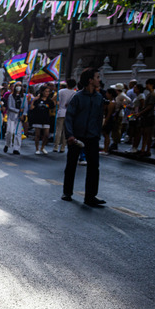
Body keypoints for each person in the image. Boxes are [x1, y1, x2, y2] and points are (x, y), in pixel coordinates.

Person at [62, 68, 105, 207]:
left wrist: (98, 135)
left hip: (92, 137)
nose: (99, 80)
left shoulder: (99, 98)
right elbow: (69, 117)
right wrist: (70, 135)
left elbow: (99, 118)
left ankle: (90, 196)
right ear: (90, 80)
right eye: (97, 77)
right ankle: (67, 192)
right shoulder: (78, 97)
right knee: (71, 165)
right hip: (76, 136)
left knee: (94, 167)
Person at [29, 85, 55, 155]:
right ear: (42, 92)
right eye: (46, 91)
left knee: (46, 135)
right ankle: (37, 148)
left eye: (48, 92)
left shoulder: (49, 101)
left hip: (46, 119)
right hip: (38, 119)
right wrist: (33, 100)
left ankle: (42, 147)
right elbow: (31, 108)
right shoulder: (37, 100)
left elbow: (53, 107)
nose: (47, 93)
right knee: (37, 135)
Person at [4, 82, 28, 155]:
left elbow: (26, 107)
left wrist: (23, 114)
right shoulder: (11, 96)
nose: (18, 87)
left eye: (20, 85)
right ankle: (7, 144)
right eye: (17, 85)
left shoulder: (24, 97)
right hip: (11, 116)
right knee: (10, 132)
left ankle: (16, 148)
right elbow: (10, 107)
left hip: (19, 118)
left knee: (18, 133)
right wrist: (18, 110)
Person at [101, 88, 119, 154]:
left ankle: (106, 149)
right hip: (109, 119)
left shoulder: (112, 103)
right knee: (105, 134)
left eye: (107, 93)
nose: (106, 94)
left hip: (109, 120)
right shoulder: (110, 102)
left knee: (106, 135)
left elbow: (109, 113)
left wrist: (106, 121)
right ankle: (105, 148)